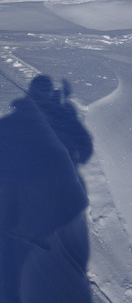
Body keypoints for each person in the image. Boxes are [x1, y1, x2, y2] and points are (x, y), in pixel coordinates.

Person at [0, 75, 93, 302]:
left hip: (25, 214)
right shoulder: (61, 117)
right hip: (58, 208)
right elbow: (86, 150)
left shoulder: (7, 124)